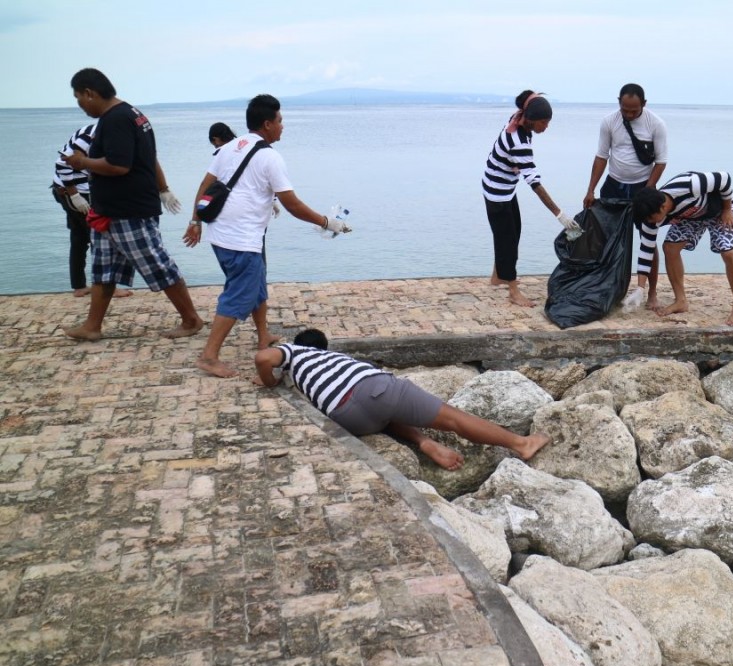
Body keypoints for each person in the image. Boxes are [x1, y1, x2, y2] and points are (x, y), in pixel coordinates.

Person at [184, 94, 351, 379]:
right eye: (280, 121)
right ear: (267, 124)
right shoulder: (270, 157)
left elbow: (205, 184)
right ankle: (209, 356)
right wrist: (327, 222)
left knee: (256, 284)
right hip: (241, 238)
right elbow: (292, 204)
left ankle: (263, 336)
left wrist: (195, 220)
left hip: (224, 233)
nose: (283, 126)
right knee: (239, 293)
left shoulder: (229, 147)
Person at [254, 329, 551, 470]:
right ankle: (521, 444)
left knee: (384, 415)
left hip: (347, 418)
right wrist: (269, 378)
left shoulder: (299, 374)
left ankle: (424, 442)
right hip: (372, 389)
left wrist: (276, 379)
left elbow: (268, 360)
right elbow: (263, 358)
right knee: (453, 419)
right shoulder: (304, 351)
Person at [61, 67, 203, 341]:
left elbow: (119, 165)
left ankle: (191, 319)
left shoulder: (117, 119)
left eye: (78, 98)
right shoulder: (132, 114)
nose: (80, 105)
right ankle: (92, 326)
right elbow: (149, 156)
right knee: (103, 269)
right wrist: (163, 189)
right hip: (108, 211)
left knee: (157, 264)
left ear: (89, 93)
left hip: (129, 211)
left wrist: (82, 162)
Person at [482, 90, 579, 308]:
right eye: (544, 122)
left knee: (512, 231)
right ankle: (513, 291)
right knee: (508, 239)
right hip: (497, 191)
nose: (546, 127)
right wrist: (560, 215)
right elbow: (534, 183)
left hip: (503, 187)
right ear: (532, 119)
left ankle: (497, 276)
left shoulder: (519, 121)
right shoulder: (519, 142)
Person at [584, 84, 668, 310]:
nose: (629, 114)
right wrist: (591, 189)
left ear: (644, 104)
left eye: (634, 111)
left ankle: (651, 293)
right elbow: (601, 156)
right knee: (608, 240)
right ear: (619, 102)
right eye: (625, 110)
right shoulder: (609, 122)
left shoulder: (656, 124)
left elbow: (661, 162)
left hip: (643, 187)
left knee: (648, 240)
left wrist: (647, 192)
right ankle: (607, 287)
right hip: (614, 186)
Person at [631, 171, 733, 325]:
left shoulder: (688, 185)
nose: (650, 222)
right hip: (692, 216)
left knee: (728, 252)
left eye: (651, 218)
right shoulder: (649, 219)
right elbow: (646, 250)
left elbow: (724, 178)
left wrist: (727, 209)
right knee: (670, 247)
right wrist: (640, 288)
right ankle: (681, 301)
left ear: (663, 207)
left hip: (720, 206)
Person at [52, 124, 134, 299]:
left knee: (79, 237)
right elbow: (62, 163)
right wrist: (75, 195)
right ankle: (106, 287)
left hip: (70, 189)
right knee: (100, 238)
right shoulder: (92, 135)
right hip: (74, 192)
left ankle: (79, 286)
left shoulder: (108, 133)